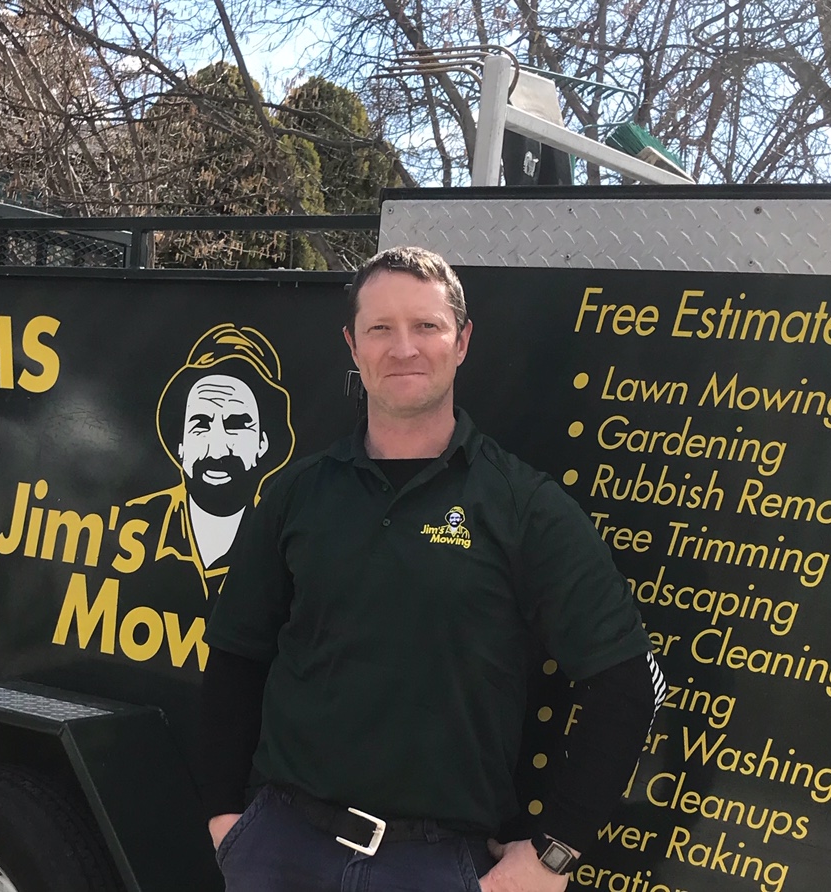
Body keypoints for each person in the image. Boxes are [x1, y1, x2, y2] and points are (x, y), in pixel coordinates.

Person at [199, 247, 665, 891]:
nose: (403, 348)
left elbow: (626, 683)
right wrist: (230, 825)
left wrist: (553, 854)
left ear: (462, 341)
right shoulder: (298, 494)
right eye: (380, 328)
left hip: (437, 865)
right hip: (282, 850)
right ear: (352, 345)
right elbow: (235, 658)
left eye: (426, 325)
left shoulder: (522, 505)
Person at [125, 323, 295, 600]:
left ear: (262, 443)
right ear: (180, 443)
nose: (216, 451)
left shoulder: (284, 548)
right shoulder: (132, 522)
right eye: (201, 424)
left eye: (236, 425)